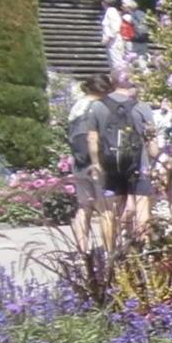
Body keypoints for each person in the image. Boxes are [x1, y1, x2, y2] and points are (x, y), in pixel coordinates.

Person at [87, 69, 158, 238]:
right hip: (138, 165)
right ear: (131, 84)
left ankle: (110, 254)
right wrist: (154, 158)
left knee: (109, 212)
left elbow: (91, 138)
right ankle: (143, 253)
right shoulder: (142, 107)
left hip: (110, 164)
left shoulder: (98, 106)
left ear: (112, 82)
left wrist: (96, 163)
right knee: (141, 209)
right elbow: (152, 140)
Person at [67, 73, 113, 249]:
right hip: (96, 161)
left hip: (78, 161)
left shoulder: (76, 107)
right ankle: (109, 251)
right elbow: (96, 137)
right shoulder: (97, 107)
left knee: (83, 207)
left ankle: (82, 250)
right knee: (105, 209)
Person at [100, 0, 127, 71]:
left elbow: (115, 27)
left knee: (117, 63)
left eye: (103, 1)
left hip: (114, 41)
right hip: (111, 42)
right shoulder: (109, 11)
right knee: (113, 63)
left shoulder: (111, 11)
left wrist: (108, 37)